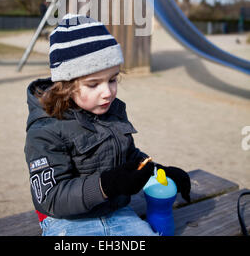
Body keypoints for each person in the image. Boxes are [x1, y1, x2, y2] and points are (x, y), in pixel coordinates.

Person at [24, 13, 191, 236]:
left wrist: (158, 171)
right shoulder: (45, 130)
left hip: (119, 213)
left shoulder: (112, 112)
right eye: (93, 84)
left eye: (112, 79)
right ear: (65, 86)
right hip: (67, 222)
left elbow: (129, 156)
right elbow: (51, 197)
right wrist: (106, 185)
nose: (108, 92)